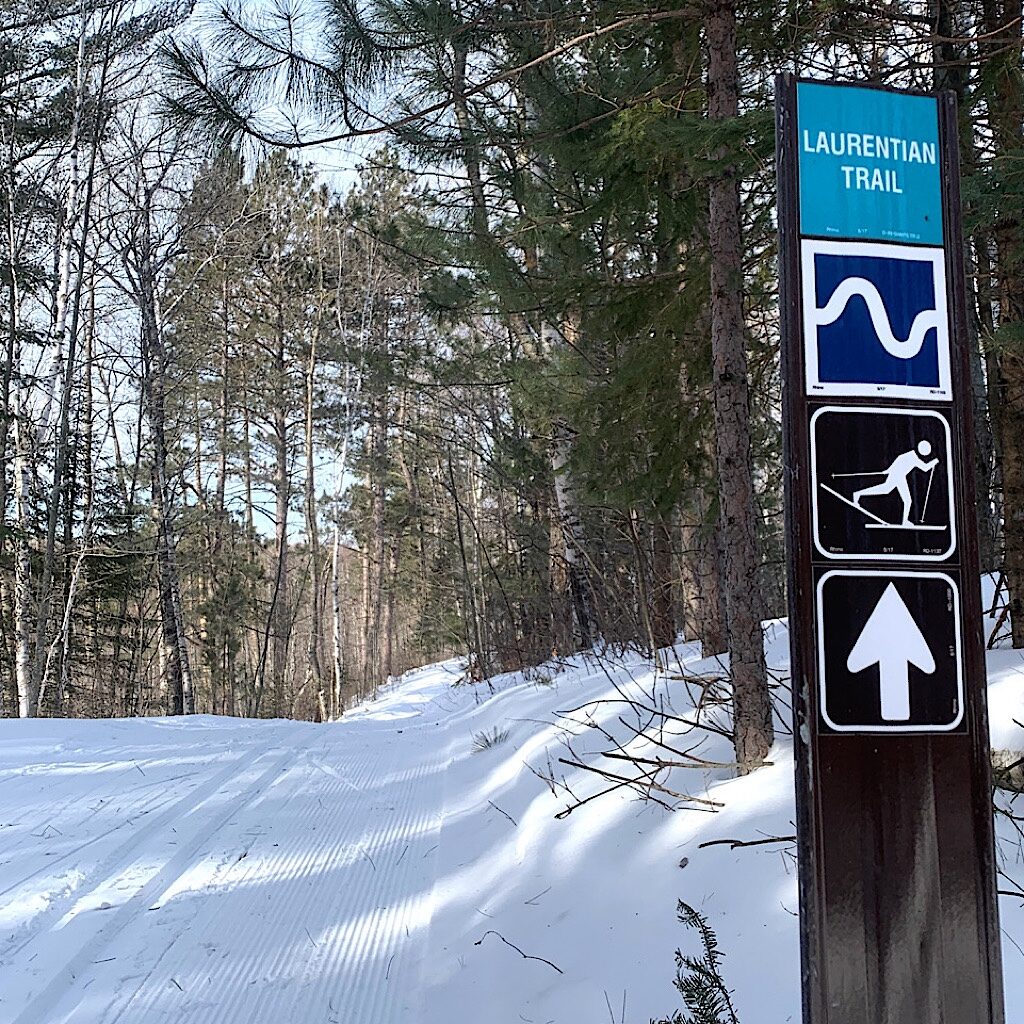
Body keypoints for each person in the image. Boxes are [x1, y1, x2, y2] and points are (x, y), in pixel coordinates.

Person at [852, 441, 938, 526]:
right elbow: (925, 468)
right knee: (906, 500)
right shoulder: (913, 457)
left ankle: (858, 494)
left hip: (898, 475)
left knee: (886, 490)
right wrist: (934, 461)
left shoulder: (910, 455)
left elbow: (899, 459)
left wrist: (889, 470)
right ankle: (904, 521)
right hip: (898, 476)